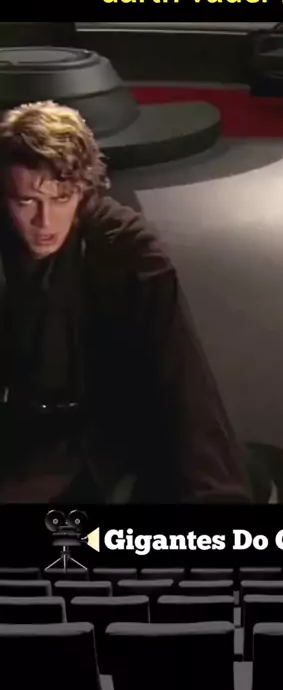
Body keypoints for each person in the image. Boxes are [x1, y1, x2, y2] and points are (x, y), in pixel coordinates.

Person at [0, 100, 252, 504]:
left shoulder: (126, 249)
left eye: (61, 198)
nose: (44, 222)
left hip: (99, 430)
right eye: (26, 201)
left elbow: (182, 376)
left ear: (83, 190)